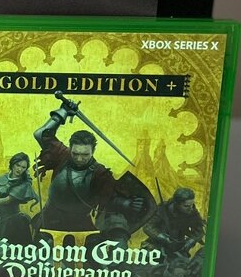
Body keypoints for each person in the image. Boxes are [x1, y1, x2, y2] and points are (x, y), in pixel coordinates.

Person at [33, 98, 152, 236]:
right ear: (70, 148)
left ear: (93, 151)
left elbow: (109, 198)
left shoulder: (100, 173)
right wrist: (62, 112)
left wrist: (127, 204)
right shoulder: (62, 155)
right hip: (49, 219)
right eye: (75, 153)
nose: (79, 159)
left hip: (80, 224)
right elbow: (41, 134)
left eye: (85, 155)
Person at [143, 187, 205, 261]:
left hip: (178, 248)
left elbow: (199, 231)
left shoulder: (192, 212)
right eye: (186, 206)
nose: (190, 208)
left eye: (192, 205)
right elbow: (148, 226)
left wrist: (190, 242)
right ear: (177, 204)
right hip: (156, 244)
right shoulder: (163, 209)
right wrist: (163, 238)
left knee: (182, 265)